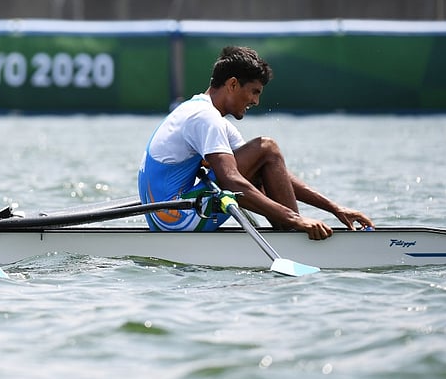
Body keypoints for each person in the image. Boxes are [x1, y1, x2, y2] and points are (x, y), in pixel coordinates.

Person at [138, 45, 373, 240]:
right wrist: (294, 218)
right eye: (254, 92)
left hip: (173, 217)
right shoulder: (205, 118)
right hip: (177, 221)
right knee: (267, 146)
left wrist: (334, 208)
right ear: (232, 85)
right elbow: (232, 180)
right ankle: (293, 234)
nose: (256, 101)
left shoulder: (201, 112)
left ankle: (290, 231)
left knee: (265, 157)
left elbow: (272, 171)